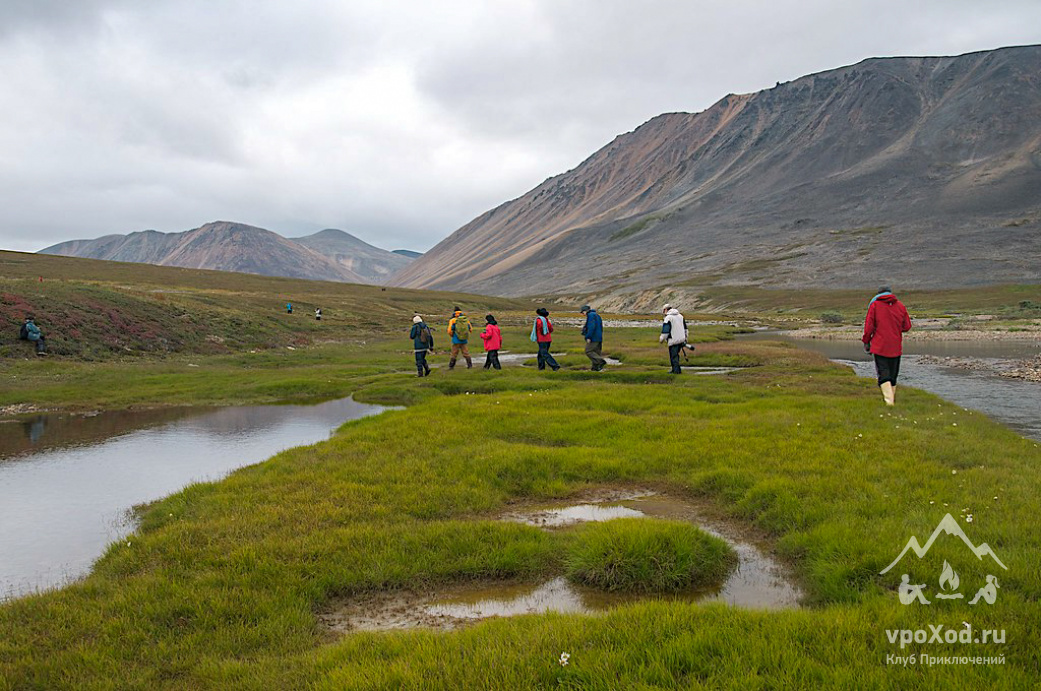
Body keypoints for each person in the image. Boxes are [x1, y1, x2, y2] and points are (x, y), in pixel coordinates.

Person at [862, 286, 912, 406]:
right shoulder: (900, 306)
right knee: (893, 374)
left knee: (883, 373)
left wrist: (866, 341)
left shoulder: (874, 306)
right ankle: (891, 400)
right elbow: (907, 327)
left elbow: (869, 328)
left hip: (879, 346)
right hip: (895, 346)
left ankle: (889, 402)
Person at [659, 304, 687, 374]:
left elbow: (665, 331)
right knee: (676, 355)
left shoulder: (668, 318)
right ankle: (677, 370)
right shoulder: (680, 316)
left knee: (673, 356)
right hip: (681, 339)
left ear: (665, 310)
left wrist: (661, 339)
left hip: (673, 340)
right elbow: (685, 329)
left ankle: (676, 371)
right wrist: (685, 338)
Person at [580, 305, 606, 371]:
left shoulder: (590, 316)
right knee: (596, 352)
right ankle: (596, 368)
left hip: (594, 337)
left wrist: (588, 336)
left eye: (582, 312)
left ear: (585, 311)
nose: (583, 314)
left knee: (588, 351)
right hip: (599, 337)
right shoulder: (597, 315)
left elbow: (591, 327)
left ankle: (601, 361)